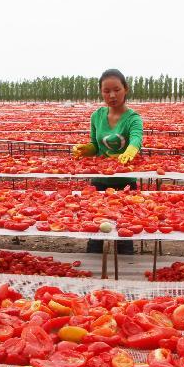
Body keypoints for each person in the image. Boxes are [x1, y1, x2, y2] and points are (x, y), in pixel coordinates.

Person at [71, 69, 143, 255]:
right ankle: (91, 276)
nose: (112, 95)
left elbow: (136, 138)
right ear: (101, 92)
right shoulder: (97, 116)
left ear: (126, 89)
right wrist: (86, 149)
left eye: (117, 89)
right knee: (95, 227)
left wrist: (132, 149)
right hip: (99, 181)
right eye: (106, 91)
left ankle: (126, 271)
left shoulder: (133, 118)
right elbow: (95, 144)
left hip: (125, 183)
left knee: (125, 230)